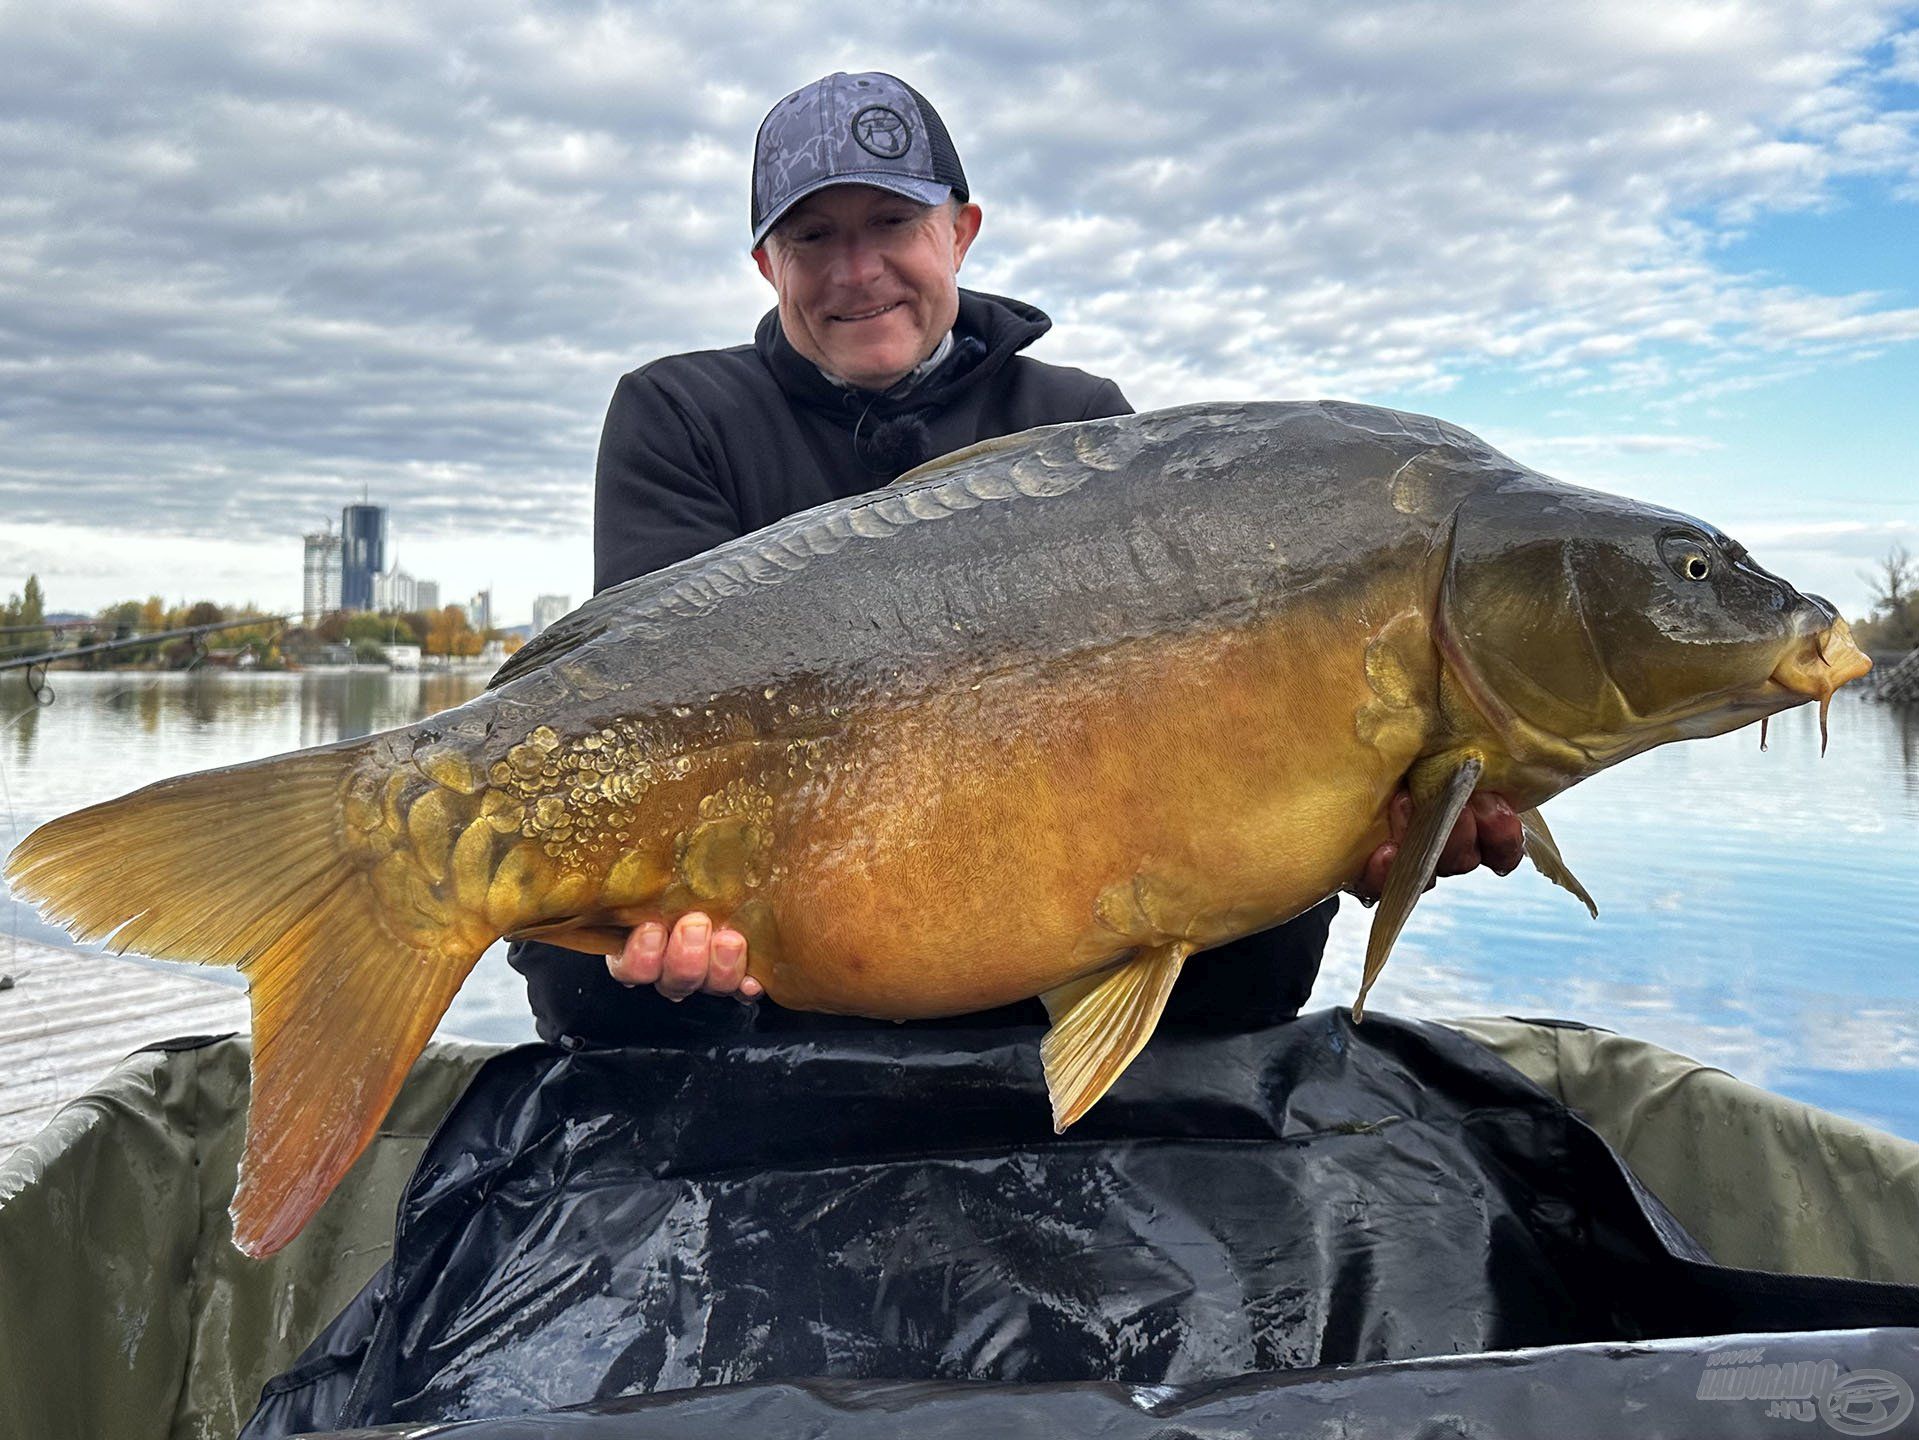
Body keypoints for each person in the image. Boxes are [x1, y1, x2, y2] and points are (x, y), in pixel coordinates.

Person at [510, 72, 1523, 1047]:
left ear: (961, 231)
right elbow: (642, 709)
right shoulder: (678, 414)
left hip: (1031, 892)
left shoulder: (1080, 424)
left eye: (891, 226)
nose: (854, 271)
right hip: (787, 919)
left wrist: (1345, 821)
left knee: (1268, 906)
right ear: (766, 265)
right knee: (570, 947)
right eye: (812, 237)